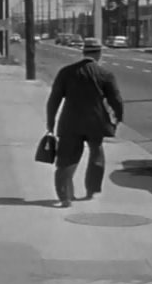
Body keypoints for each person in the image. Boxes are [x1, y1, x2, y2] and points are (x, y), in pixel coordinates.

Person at [46, 37, 124, 207]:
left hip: (70, 122)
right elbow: (116, 100)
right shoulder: (105, 74)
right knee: (96, 154)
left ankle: (65, 196)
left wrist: (50, 123)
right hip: (95, 121)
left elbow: (54, 99)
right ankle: (91, 190)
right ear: (99, 53)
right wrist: (118, 119)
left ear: (83, 52)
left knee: (66, 158)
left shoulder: (66, 72)